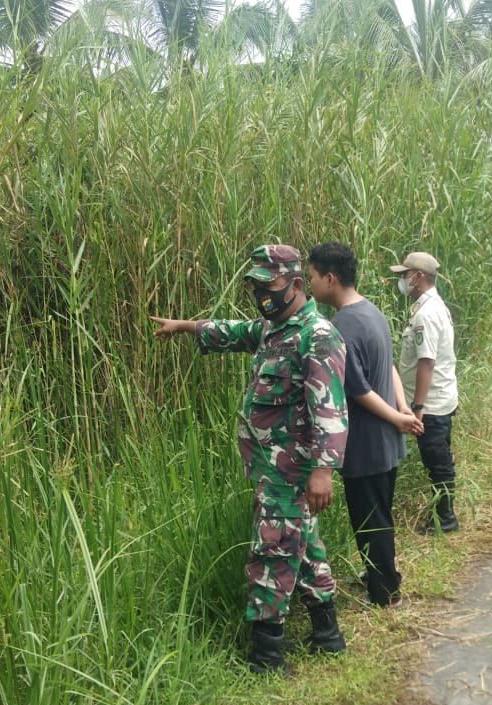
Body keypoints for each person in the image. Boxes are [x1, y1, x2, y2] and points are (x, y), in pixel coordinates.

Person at [150, 244, 349, 675]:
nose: (259, 293)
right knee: (305, 546)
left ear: (296, 284)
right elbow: (232, 331)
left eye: (267, 285)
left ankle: (266, 657)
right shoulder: (271, 329)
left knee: (273, 551)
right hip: (272, 468)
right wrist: (185, 326)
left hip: (292, 471)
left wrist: (323, 470)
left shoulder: (317, 335)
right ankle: (328, 635)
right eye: (254, 286)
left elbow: (330, 408)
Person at [307, 242, 421, 609]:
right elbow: (387, 367)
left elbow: (358, 390)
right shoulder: (373, 312)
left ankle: (385, 593)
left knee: (371, 520)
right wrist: (402, 411)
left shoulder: (340, 326)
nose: (309, 285)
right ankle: (380, 575)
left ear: (330, 278)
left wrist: (396, 416)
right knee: (381, 512)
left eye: (311, 277)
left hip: (365, 443)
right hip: (387, 441)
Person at [391, 251, 459, 534]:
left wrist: (417, 405)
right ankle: (442, 514)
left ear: (418, 277)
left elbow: (427, 362)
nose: (402, 280)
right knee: (438, 457)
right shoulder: (430, 306)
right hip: (439, 398)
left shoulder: (426, 313)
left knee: (437, 460)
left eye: (405, 275)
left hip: (431, 404)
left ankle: (445, 518)